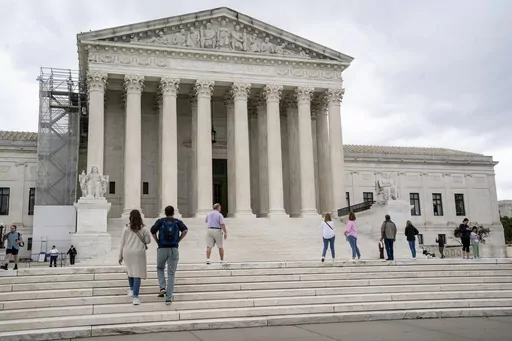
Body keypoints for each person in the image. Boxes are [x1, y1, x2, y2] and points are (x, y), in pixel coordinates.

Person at [151, 205, 188, 305]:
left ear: (165, 213)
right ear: (173, 213)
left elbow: (153, 231)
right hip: (173, 249)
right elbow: (185, 230)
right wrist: (179, 240)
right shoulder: (177, 222)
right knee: (171, 274)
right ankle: (168, 298)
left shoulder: (160, 221)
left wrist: (157, 241)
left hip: (162, 248)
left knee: (160, 268)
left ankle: (162, 287)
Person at [119, 210, 151, 305]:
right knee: (137, 274)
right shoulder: (144, 228)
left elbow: (122, 242)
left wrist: (120, 255)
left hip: (127, 252)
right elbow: (148, 241)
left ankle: (132, 290)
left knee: (130, 271)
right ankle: (135, 298)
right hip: (138, 253)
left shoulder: (126, 228)